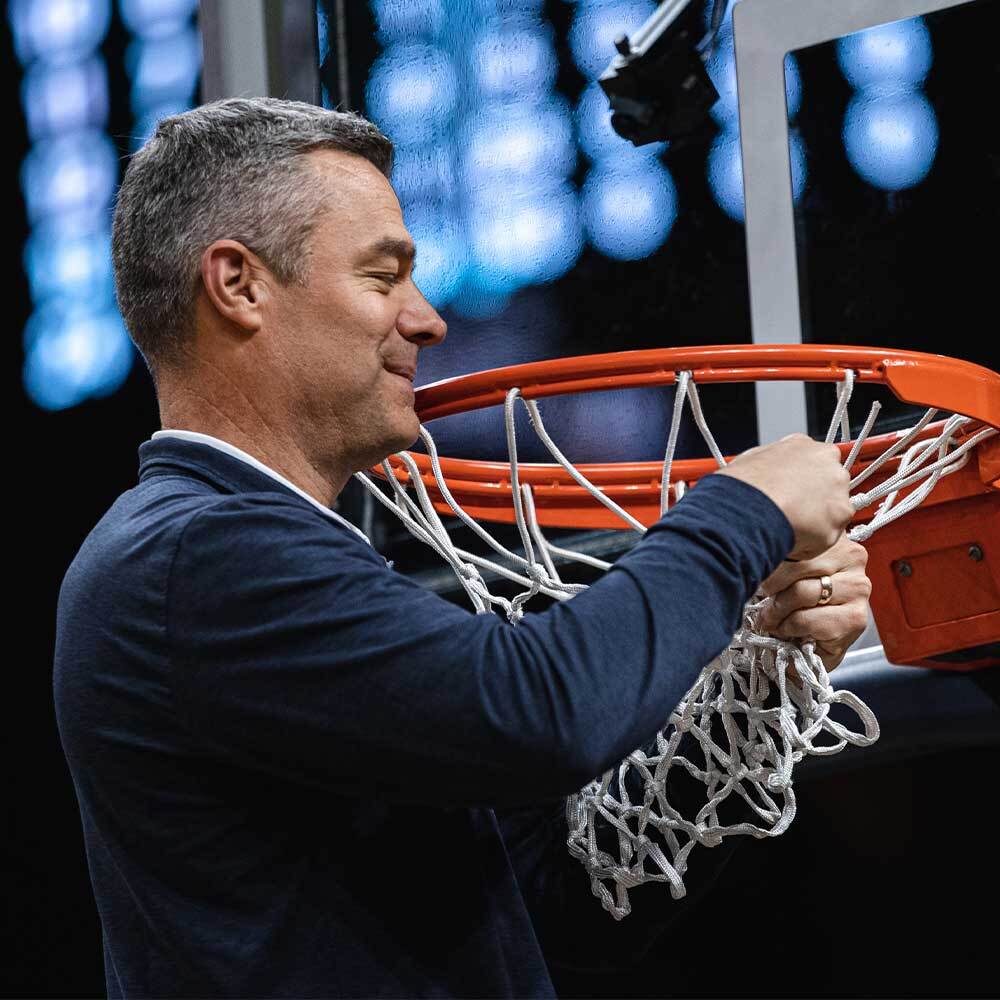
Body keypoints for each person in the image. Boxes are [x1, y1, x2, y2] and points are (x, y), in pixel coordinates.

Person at [53, 98, 871, 998]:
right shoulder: (193, 554)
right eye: (383, 276)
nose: (428, 319)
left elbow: (572, 905)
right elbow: (544, 707)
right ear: (240, 285)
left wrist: (756, 681)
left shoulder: (258, 555)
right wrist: (740, 512)